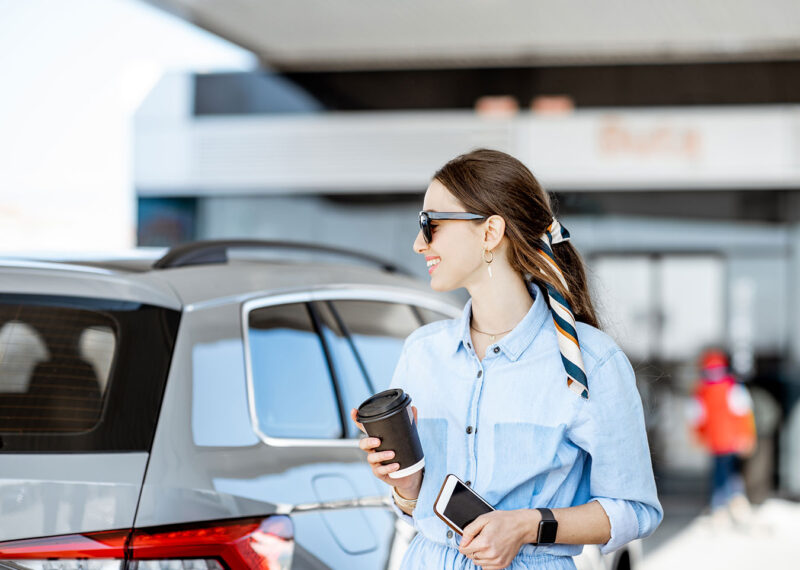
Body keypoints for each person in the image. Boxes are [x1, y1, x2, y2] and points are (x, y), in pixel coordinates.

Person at [350, 149, 662, 570]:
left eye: (432, 224)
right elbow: (413, 508)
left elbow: (635, 509)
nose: (418, 243)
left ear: (490, 231)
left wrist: (526, 525)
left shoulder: (591, 361)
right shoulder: (422, 353)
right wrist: (406, 488)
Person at [688, 348, 756, 524]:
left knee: (728, 472)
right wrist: (698, 436)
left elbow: (743, 413)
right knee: (724, 472)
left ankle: (729, 504)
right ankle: (727, 504)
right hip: (719, 441)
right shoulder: (705, 391)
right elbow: (697, 417)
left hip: (730, 440)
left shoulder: (728, 388)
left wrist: (747, 436)